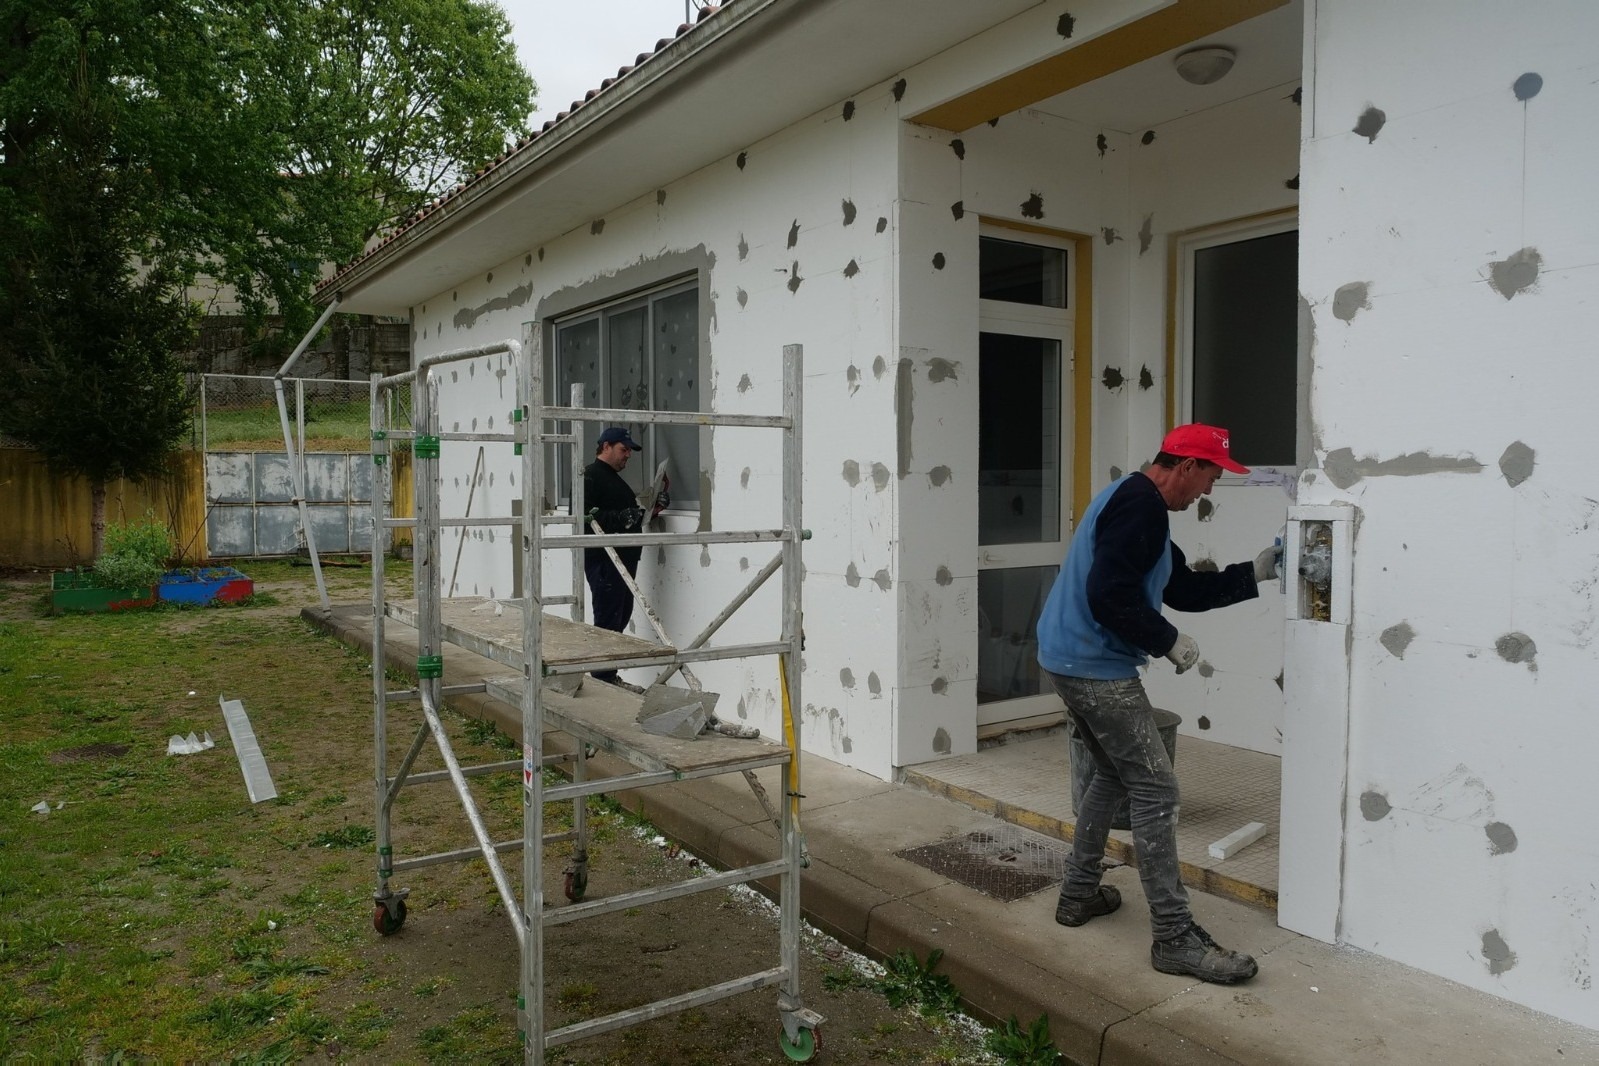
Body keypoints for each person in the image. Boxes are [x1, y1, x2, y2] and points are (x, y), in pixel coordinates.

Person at [1035, 423, 1281, 984]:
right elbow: (1108, 595)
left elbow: (1178, 590)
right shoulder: (1141, 508)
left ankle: (1077, 895)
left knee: (1114, 775)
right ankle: (1174, 938)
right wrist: (1166, 642)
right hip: (1093, 666)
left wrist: (1257, 573)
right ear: (1187, 466)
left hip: (1065, 656)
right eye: (1211, 477)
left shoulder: (1136, 501)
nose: (1209, 492)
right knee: (1156, 787)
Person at [583, 427, 645, 683]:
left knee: (619, 619)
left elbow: (621, 515)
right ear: (606, 446)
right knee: (608, 622)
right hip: (606, 560)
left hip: (623, 560)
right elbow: (584, 517)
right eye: (624, 449)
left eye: (630, 450)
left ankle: (608, 674)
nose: (628, 455)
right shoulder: (590, 476)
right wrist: (620, 517)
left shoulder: (613, 479)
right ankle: (602, 679)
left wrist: (647, 511)